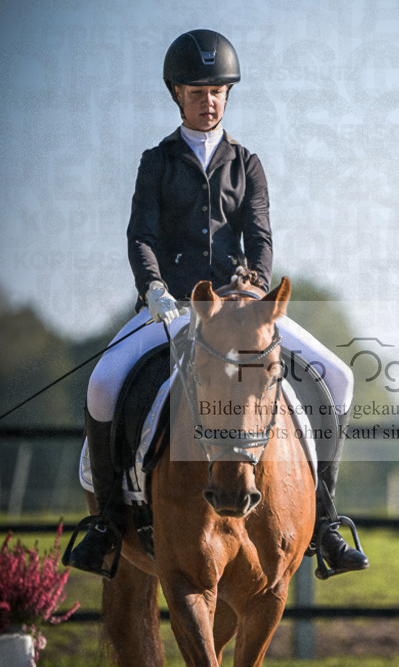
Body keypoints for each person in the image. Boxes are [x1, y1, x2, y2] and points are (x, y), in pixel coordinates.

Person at [66, 29, 368, 580]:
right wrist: (153, 287)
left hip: (242, 307)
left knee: (339, 377)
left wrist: (254, 287)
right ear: (177, 94)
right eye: (197, 91)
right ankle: (108, 523)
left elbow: (261, 237)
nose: (209, 101)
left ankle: (326, 521)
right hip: (172, 305)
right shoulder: (156, 162)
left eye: (217, 91)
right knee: (103, 383)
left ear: (227, 94)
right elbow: (141, 236)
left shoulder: (246, 163)